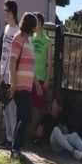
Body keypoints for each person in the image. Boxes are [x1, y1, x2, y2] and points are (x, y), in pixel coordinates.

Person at [8, 12, 41, 158]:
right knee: (26, 117)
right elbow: (12, 60)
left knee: (21, 116)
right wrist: (13, 84)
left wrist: (36, 83)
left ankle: (16, 148)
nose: (35, 29)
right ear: (30, 25)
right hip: (19, 86)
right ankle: (15, 148)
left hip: (27, 86)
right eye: (34, 26)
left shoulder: (28, 41)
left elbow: (30, 66)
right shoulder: (19, 38)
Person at [36, 96, 82, 161]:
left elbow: (66, 133)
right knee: (56, 129)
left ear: (60, 108)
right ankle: (74, 152)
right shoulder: (46, 117)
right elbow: (39, 134)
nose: (55, 105)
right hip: (53, 144)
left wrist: (63, 128)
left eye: (57, 104)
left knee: (74, 135)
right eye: (54, 103)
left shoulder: (62, 119)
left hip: (63, 144)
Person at [0, 0, 19, 148]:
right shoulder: (6, 29)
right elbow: (3, 52)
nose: (4, 14)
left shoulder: (17, 32)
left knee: (12, 109)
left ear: (11, 13)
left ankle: (14, 141)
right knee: (5, 107)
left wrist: (13, 77)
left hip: (11, 75)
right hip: (3, 72)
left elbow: (15, 56)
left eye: (5, 11)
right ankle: (8, 137)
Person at [30, 12, 52, 141]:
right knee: (29, 107)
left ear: (42, 24)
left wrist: (48, 78)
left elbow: (49, 62)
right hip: (30, 78)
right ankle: (28, 134)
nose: (35, 24)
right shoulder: (30, 38)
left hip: (41, 78)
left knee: (38, 109)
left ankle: (34, 135)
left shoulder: (47, 41)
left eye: (37, 22)